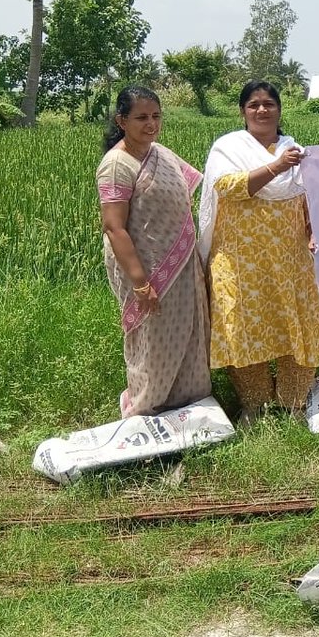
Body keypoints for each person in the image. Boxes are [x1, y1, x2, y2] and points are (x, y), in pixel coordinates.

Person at [199, 80, 319, 425]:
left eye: (269, 104)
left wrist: (314, 230)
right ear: (242, 111)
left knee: (295, 324)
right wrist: (278, 167)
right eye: (253, 104)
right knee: (240, 326)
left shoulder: (296, 152)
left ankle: (293, 403)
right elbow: (229, 187)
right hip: (239, 263)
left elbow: (311, 199)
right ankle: (254, 405)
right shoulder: (228, 148)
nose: (262, 110)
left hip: (289, 261)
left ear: (280, 110)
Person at [97, 86, 212, 418]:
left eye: (156, 116)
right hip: (146, 269)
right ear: (122, 121)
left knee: (190, 333)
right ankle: (146, 407)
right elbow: (114, 227)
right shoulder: (116, 164)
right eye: (141, 118)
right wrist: (140, 282)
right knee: (155, 339)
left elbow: (183, 198)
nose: (151, 124)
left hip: (182, 264)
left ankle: (188, 402)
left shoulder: (160, 153)